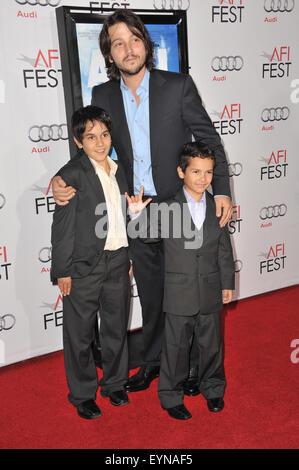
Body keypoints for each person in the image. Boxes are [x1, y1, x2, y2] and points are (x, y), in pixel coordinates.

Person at [52, 9, 233, 396]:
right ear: (110, 53)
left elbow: (210, 140)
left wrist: (221, 190)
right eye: (118, 43)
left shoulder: (177, 85)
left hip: (180, 208)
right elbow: (91, 151)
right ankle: (153, 363)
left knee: (191, 295)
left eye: (134, 39)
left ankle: (194, 370)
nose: (127, 49)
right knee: (151, 296)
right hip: (137, 211)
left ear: (146, 45)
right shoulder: (101, 95)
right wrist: (60, 178)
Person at [126, 141, 235, 420]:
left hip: (210, 288)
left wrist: (227, 283)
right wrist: (137, 213)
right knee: (175, 347)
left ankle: (213, 389)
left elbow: (223, 248)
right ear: (181, 172)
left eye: (209, 172)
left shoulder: (217, 206)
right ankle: (170, 396)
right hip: (178, 292)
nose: (203, 179)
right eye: (196, 172)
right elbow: (146, 234)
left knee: (211, 345)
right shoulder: (168, 207)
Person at [51, 105, 138, 419]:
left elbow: (123, 216)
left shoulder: (119, 169)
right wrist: (62, 270)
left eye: (104, 134)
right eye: (91, 137)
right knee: (80, 335)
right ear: (78, 141)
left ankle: (115, 383)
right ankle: (83, 394)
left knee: (115, 328)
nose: (100, 142)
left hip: (118, 262)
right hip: (82, 268)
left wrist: (127, 253)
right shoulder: (71, 175)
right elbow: (62, 228)